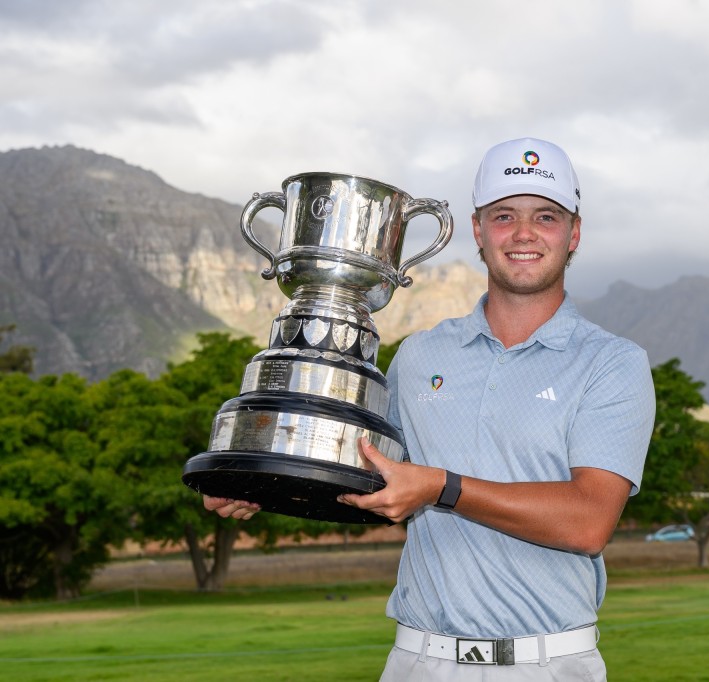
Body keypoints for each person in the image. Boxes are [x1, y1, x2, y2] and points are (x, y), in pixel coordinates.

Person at [206, 137, 656, 681]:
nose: (523, 234)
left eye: (546, 217)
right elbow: (373, 476)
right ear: (477, 231)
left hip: (548, 663)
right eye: (504, 216)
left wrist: (442, 485)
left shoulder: (612, 363)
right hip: (420, 661)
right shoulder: (421, 355)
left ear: (574, 233)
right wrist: (264, 476)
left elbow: (589, 521)